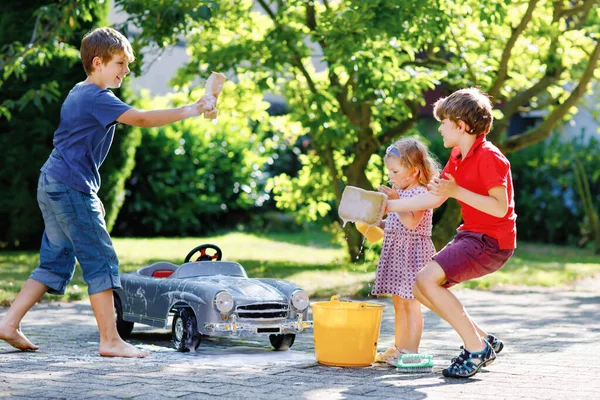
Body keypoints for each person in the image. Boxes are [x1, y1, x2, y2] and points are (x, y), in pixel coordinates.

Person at [0, 27, 217, 358]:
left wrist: (89, 191)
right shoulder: (96, 98)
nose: (125, 71)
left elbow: (79, 145)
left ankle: (9, 322)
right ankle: (110, 340)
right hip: (69, 186)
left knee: (56, 260)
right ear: (98, 62)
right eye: (120, 63)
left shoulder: (78, 92)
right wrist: (192, 108)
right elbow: (142, 119)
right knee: (100, 258)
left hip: (54, 181)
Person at [385, 87, 517, 378]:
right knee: (421, 288)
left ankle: (476, 348)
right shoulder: (458, 155)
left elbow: (500, 208)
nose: (440, 127)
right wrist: (390, 205)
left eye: (444, 122)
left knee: (425, 280)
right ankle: (484, 339)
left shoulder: (490, 158)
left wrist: (457, 190)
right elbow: (434, 197)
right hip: (471, 235)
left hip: (492, 241)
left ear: (461, 125)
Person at [372, 137, 440, 365]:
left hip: (413, 254)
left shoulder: (421, 193)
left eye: (394, 171)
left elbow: (411, 223)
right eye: (389, 172)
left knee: (411, 303)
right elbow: (395, 225)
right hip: (396, 252)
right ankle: (399, 347)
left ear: (414, 170)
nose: (390, 176)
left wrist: (394, 199)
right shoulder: (399, 192)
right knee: (398, 302)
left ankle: (411, 350)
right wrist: (376, 224)